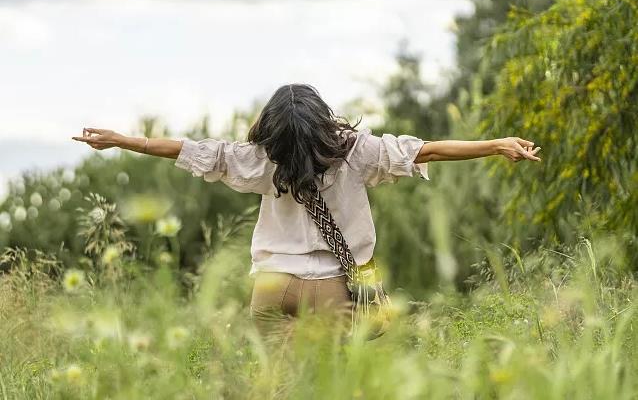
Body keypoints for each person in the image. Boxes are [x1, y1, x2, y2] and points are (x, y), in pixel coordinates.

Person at [72, 83, 541, 339]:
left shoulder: (258, 159)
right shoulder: (357, 151)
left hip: (271, 288)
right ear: (323, 118)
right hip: (334, 289)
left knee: (279, 387)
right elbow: (430, 152)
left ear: (270, 128)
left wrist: (123, 140)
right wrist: (495, 144)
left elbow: (191, 150)